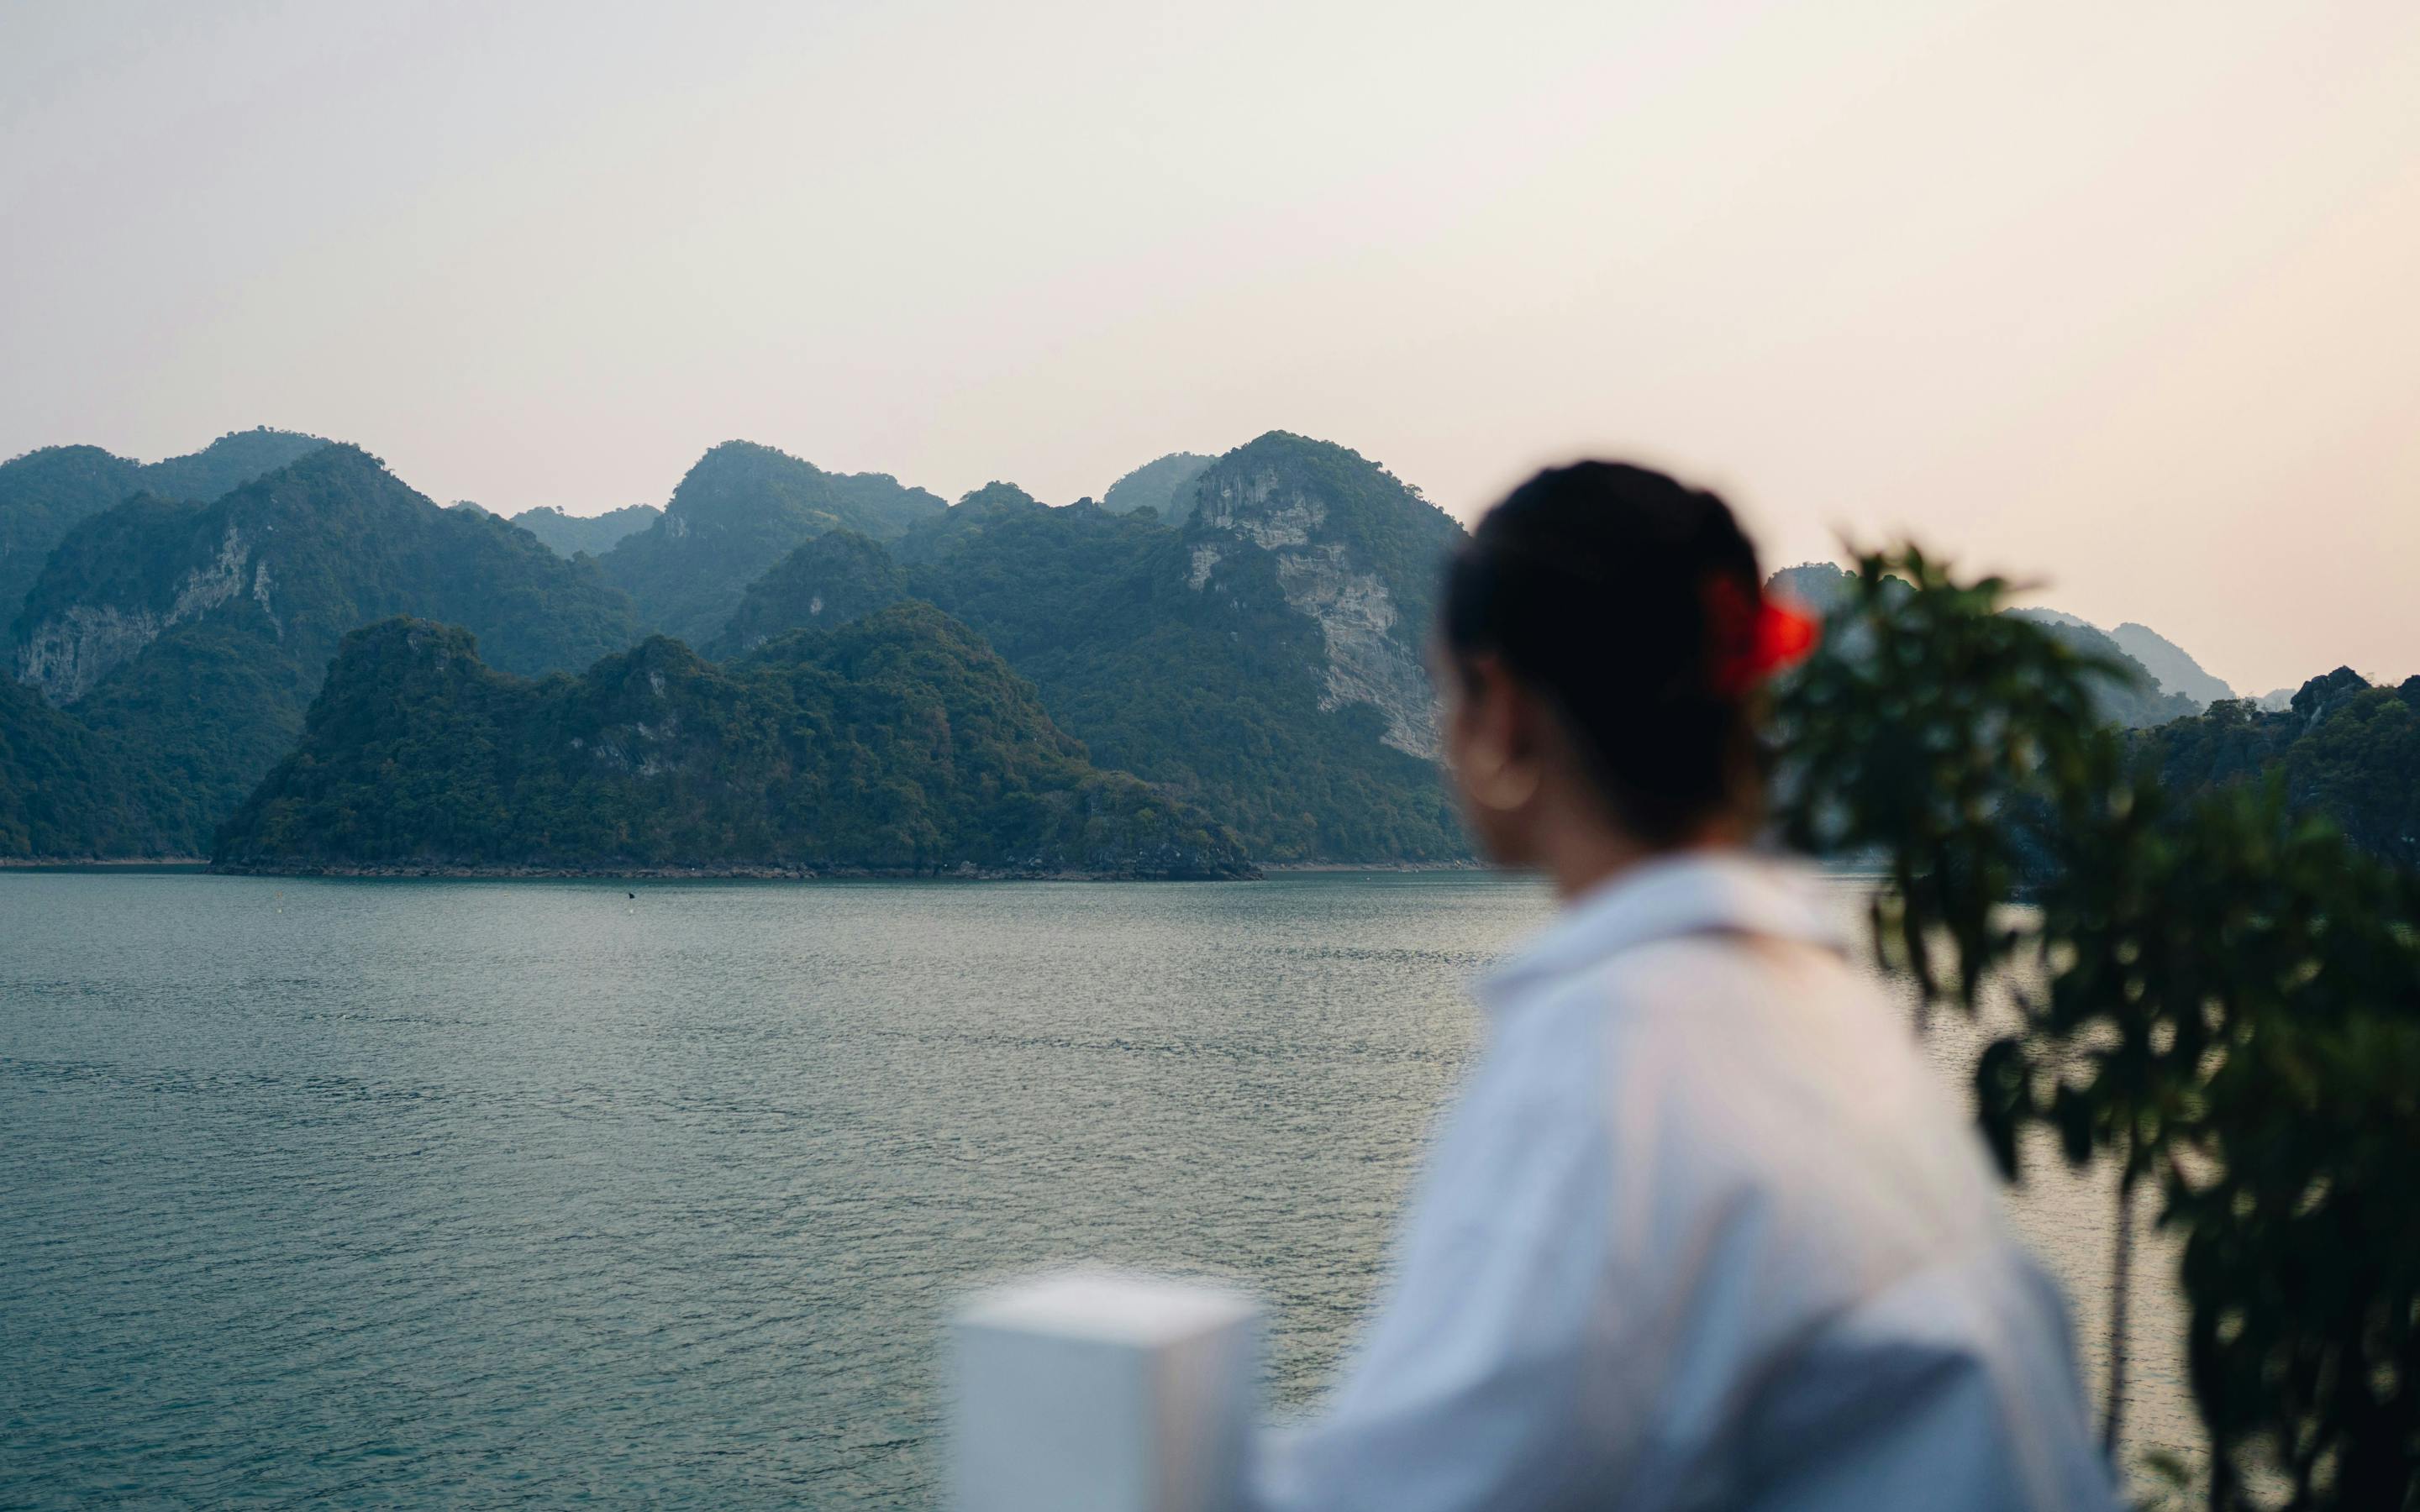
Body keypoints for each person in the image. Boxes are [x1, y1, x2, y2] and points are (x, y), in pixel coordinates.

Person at [1250, 464, 2119, 1510]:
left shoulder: (1606, 1061)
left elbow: (1412, 1492)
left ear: (1506, 716)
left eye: (1448, 694)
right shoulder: (1826, 1013)